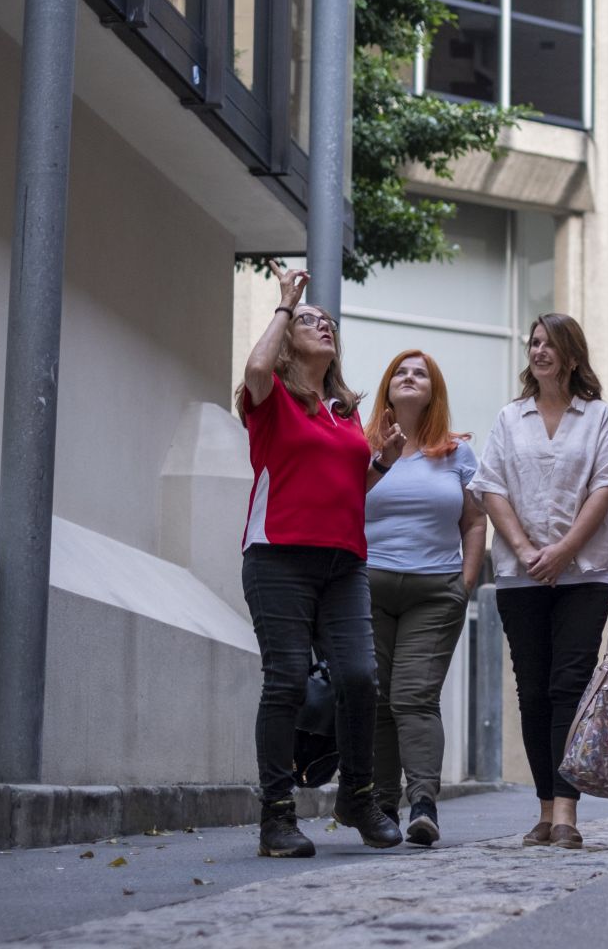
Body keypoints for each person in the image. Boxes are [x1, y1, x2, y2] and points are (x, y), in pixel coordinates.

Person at [235, 259, 404, 858]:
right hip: (278, 556)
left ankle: (357, 796)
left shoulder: (347, 412)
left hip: (343, 563)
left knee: (359, 677)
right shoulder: (271, 394)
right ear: (287, 339)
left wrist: (380, 462)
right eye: (309, 320)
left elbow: (345, 493)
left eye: (326, 320)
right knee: (284, 680)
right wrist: (285, 302)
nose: (321, 324)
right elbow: (255, 365)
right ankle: (276, 818)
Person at [469, 314, 608, 851]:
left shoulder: (598, 417)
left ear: (570, 355)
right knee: (533, 690)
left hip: (585, 573)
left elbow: (607, 487)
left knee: (569, 685)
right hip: (521, 576)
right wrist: (522, 549)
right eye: (534, 343)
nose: (538, 351)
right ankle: (545, 809)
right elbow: (491, 487)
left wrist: (563, 551)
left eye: (549, 344)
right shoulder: (509, 417)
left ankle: (567, 812)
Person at [362, 350, 486, 847]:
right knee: (375, 701)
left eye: (421, 373)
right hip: (367, 585)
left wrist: (466, 581)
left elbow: (475, 521)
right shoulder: (363, 446)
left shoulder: (456, 453)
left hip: (435, 591)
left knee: (413, 696)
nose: (409, 378)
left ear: (434, 391)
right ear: (387, 387)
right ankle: (381, 807)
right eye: (400, 371)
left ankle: (424, 804)